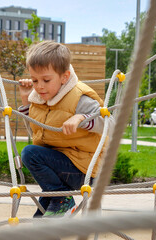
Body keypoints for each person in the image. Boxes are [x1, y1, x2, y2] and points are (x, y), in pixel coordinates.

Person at [18, 41, 114, 218]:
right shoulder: (40, 99)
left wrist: (82, 118)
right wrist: (26, 100)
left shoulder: (79, 97)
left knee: (30, 153)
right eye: (34, 80)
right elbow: (36, 133)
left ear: (64, 77)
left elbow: (112, 124)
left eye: (46, 80)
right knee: (41, 221)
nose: (39, 86)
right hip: (59, 166)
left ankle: (63, 199)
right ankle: (61, 200)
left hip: (85, 169)